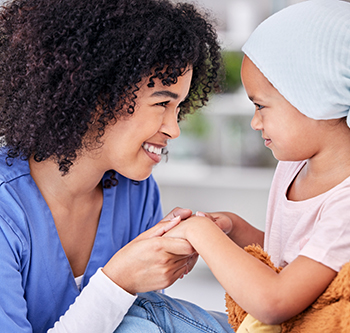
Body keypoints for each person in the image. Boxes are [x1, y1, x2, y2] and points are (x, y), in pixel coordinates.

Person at [114, 0, 350, 332]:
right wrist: (235, 229)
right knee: (143, 309)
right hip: (293, 324)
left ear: (315, 99)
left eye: (261, 106)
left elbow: (274, 303)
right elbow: (297, 263)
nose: (254, 122)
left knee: (146, 316)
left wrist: (201, 232)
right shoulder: (295, 169)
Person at [0, 0, 225, 331]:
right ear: (95, 93)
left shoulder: (137, 193)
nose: (174, 129)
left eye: (178, 107)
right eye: (162, 102)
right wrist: (118, 280)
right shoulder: (7, 210)